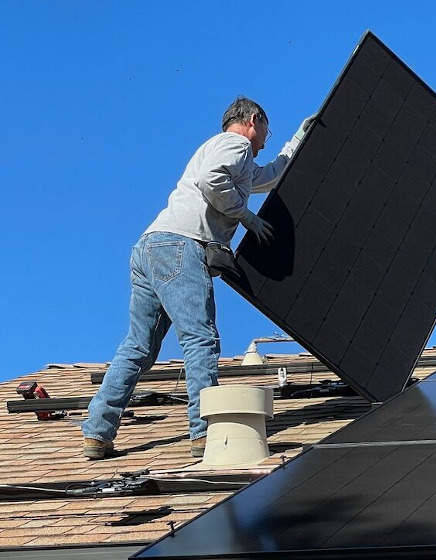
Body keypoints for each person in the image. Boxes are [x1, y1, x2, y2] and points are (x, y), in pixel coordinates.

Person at [81, 97, 315, 459]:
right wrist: (246, 217)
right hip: (181, 246)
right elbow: (212, 181)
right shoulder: (234, 144)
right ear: (254, 120)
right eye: (267, 129)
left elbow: (268, 177)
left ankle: (97, 431)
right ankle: (205, 433)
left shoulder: (224, 152)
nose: (268, 138)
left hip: (150, 247)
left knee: (138, 348)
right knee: (200, 338)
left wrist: (299, 139)